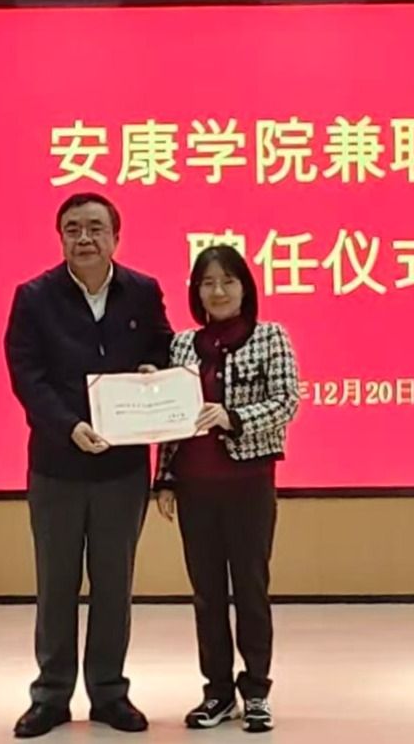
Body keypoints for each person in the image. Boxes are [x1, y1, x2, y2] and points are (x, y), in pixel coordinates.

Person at [5, 193, 173, 738]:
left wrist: (153, 374)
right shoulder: (34, 297)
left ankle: (109, 693)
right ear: (60, 238)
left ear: (115, 237)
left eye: (96, 228)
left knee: (113, 586)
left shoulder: (142, 291)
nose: (85, 238)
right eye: (73, 228)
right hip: (56, 465)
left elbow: (165, 350)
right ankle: (51, 696)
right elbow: (27, 376)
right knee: (55, 585)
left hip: (122, 469)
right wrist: (69, 426)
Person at [154, 244, 301, 734]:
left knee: (251, 589)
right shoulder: (181, 346)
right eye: (208, 283)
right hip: (195, 488)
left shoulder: (271, 337)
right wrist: (164, 478)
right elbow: (170, 420)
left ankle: (256, 691)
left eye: (228, 281)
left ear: (245, 288)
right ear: (196, 292)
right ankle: (217, 692)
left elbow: (286, 402)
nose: (218, 291)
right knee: (207, 593)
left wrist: (233, 417)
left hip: (248, 484)